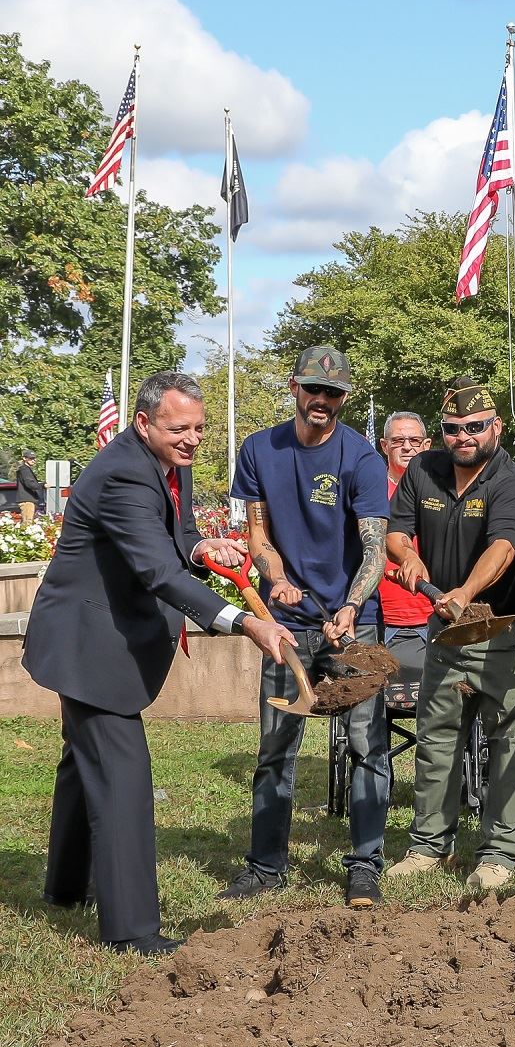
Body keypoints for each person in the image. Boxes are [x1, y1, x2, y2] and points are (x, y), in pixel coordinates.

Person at [24, 372, 292, 954]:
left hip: (99, 636)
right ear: (142, 423)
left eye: (199, 428)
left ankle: (66, 887)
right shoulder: (123, 472)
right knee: (122, 779)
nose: (192, 439)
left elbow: (178, 537)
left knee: (83, 759)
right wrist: (244, 622)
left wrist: (202, 546)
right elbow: (158, 573)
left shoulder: (171, 459)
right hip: (87, 643)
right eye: (179, 428)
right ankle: (133, 932)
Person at [219, 346, 393, 909]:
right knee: (276, 747)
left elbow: (373, 549)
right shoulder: (258, 450)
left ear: (345, 397)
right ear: (295, 388)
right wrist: (274, 577)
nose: (322, 401)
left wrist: (350, 606)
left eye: (334, 393)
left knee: (368, 746)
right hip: (285, 628)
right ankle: (266, 866)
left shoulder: (361, 458)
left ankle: (365, 865)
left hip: (353, 627)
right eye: (314, 390)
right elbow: (257, 534)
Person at [384, 377, 515, 894]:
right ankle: (430, 844)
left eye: (476, 427)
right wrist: (406, 555)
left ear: (495, 427)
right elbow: (395, 530)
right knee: (436, 738)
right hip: (447, 631)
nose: (464, 437)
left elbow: (502, 550)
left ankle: (501, 851)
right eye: (453, 429)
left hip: (507, 629)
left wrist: (465, 591)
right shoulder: (422, 470)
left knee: (512, 741)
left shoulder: (512, 483)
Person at [377, 411, 435, 649]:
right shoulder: (369, 492)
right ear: (384, 446)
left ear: (427, 444)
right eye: (398, 441)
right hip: (381, 619)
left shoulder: (444, 490)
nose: (407, 448)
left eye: (415, 441)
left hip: (435, 614)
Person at [13, 448, 43, 522]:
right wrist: (42, 485)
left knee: (28, 522)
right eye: (31, 458)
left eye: (34, 458)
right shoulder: (24, 469)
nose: (34, 460)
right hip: (27, 500)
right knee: (27, 523)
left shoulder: (26, 470)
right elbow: (29, 484)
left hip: (28, 500)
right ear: (24, 458)